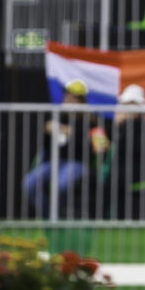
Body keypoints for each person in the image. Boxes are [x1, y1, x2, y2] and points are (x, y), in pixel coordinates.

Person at [23, 79, 108, 219]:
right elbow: (47, 147)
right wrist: (46, 132)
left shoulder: (93, 122)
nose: (68, 100)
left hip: (77, 164)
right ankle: (50, 216)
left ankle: (56, 218)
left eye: (73, 97)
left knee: (60, 185)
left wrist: (72, 132)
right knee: (29, 184)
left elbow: (100, 147)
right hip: (54, 163)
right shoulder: (59, 118)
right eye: (67, 96)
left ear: (82, 101)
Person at [107, 84, 145, 219]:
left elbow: (137, 149)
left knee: (112, 180)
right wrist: (118, 126)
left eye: (132, 104)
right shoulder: (120, 125)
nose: (128, 108)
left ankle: (105, 218)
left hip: (136, 170)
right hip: (116, 169)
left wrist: (123, 128)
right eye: (126, 104)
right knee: (92, 178)